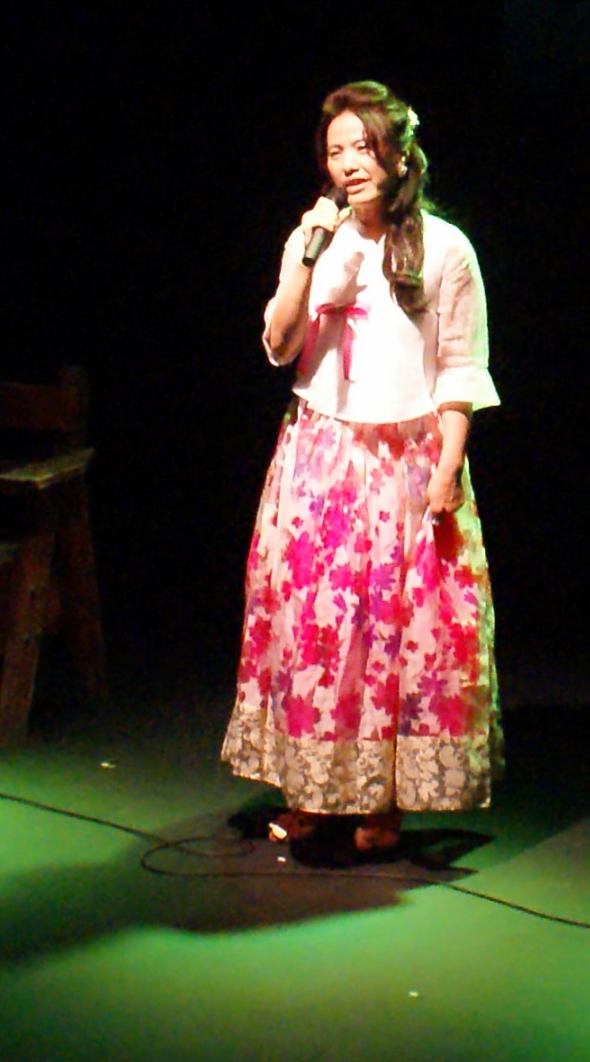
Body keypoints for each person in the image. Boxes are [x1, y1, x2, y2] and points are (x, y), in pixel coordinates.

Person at [220, 81, 501, 854]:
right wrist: (305, 258)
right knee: (317, 628)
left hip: (408, 456)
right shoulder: (319, 239)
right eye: (337, 150)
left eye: (365, 146)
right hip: (323, 453)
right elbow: (279, 344)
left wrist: (448, 466)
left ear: (399, 155)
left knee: (399, 632)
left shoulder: (446, 248)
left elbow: (461, 367)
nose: (350, 163)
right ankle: (312, 793)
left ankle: (383, 803)